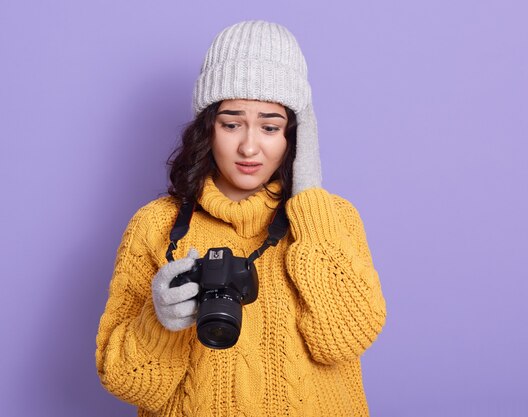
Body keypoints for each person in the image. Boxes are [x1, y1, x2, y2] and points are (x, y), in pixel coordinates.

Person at [95, 20, 387, 416]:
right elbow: (127, 382)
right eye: (232, 124)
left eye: (270, 126)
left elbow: (345, 338)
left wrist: (309, 197)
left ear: (295, 137)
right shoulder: (156, 225)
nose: (249, 146)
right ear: (208, 129)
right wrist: (159, 321)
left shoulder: (333, 218)